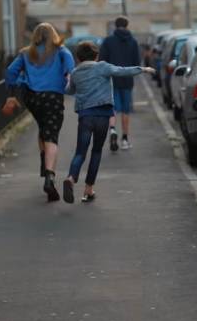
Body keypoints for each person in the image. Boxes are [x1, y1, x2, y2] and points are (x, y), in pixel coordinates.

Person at [63, 42, 154, 202]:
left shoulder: (76, 72)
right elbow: (122, 71)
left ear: (77, 58)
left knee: (80, 152)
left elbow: (69, 91)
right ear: (96, 56)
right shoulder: (103, 67)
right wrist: (143, 69)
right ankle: (89, 189)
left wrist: (68, 79)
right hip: (103, 116)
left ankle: (71, 178)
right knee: (96, 151)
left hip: (85, 116)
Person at [5, 23, 75, 203]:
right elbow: (71, 70)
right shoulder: (61, 51)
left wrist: (12, 94)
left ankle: (44, 162)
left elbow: (10, 71)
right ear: (53, 35)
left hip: (32, 98)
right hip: (52, 98)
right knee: (51, 136)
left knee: (43, 127)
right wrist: (69, 81)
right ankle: (50, 176)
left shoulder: (26, 53)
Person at [98, 16, 142, 151]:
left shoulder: (108, 41)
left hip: (112, 79)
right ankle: (125, 139)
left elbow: (102, 61)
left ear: (115, 26)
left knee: (113, 108)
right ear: (127, 25)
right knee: (125, 110)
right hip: (127, 79)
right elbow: (137, 62)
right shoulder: (133, 42)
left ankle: (112, 130)